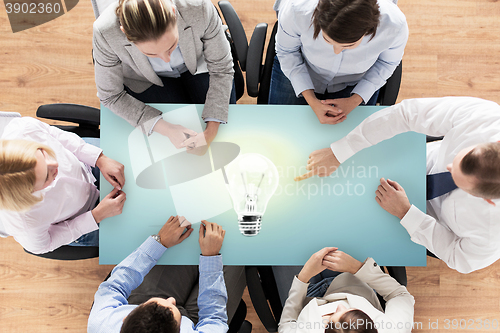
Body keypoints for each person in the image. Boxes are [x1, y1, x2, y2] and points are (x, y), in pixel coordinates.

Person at [296, 97, 500, 273]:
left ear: (489, 201)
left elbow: (459, 257)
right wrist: (339, 152)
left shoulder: (493, 232)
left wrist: (406, 213)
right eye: (456, 160)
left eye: (457, 179)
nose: (448, 166)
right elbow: (407, 114)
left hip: (419, 222)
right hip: (411, 159)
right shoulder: (487, 118)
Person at [93, 0, 235, 154]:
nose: (165, 59)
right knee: (175, 145)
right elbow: (110, 96)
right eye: (151, 54)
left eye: (171, 46)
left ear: (174, 14)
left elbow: (221, 68)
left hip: (198, 64)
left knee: (225, 133)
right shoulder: (105, 32)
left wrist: (211, 132)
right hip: (146, 80)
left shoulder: (198, 7)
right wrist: (166, 128)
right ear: (125, 33)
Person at [87, 217, 246, 333]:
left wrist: (159, 242)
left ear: (125, 319)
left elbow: (114, 286)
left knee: (184, 241)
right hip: (200, 325)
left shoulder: (102, 323)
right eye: (172, 304)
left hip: (144, 304)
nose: (171, 300)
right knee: (237, 246)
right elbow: (214, 319)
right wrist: (211, 258)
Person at [269, 0, 408, 125]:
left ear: (370, 30)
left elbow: (386, 63)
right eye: (327, 40)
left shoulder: (394, 25)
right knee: (280, 126)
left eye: (349, 46)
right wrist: (311, 100)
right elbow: (287, 52)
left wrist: (355, 100)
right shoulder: (296, 8)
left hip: (356, 81)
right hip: (302, 67)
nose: (336, 51)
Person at [0, 117, 126, 254]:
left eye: (43, 153)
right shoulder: (23, 222)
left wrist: (99, 158)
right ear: (31, 192)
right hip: (86, 215)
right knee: (143, 234)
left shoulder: (23, 129)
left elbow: (57, 135)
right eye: (47, 176)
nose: (56, 164)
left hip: (84, 160)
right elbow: (43, 245)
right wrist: (96, 216)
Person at [277, 247, 414, 333]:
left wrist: (303, 276)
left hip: (305, 297)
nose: (340, 305)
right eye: (353, 312)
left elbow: (286, 325)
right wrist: (356, 267)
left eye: (330, 319)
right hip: (351, 279)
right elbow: (399, 294)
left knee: (282, 244)